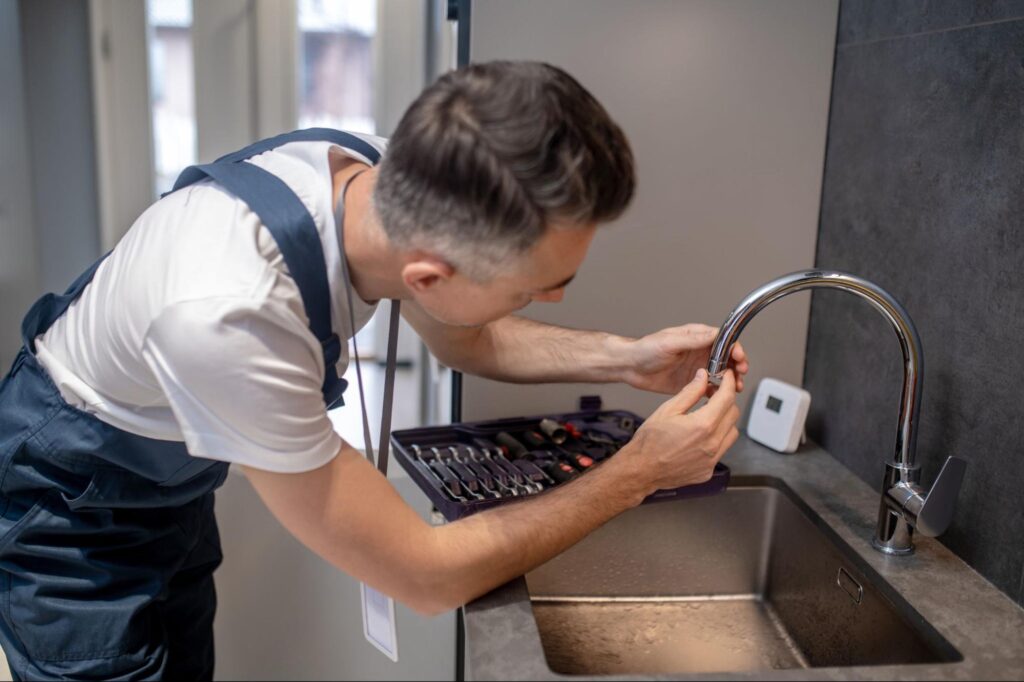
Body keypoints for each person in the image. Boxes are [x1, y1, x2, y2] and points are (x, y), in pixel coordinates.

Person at [0, 61, 747, 680]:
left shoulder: (387, 173)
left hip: (167, 479)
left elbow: (465, 339)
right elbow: (424, 574)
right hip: (72, 513)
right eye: (535, 288)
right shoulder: (229, 316)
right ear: (425, 276)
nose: (549, 298)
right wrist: (638, 473)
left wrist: (626, 358)